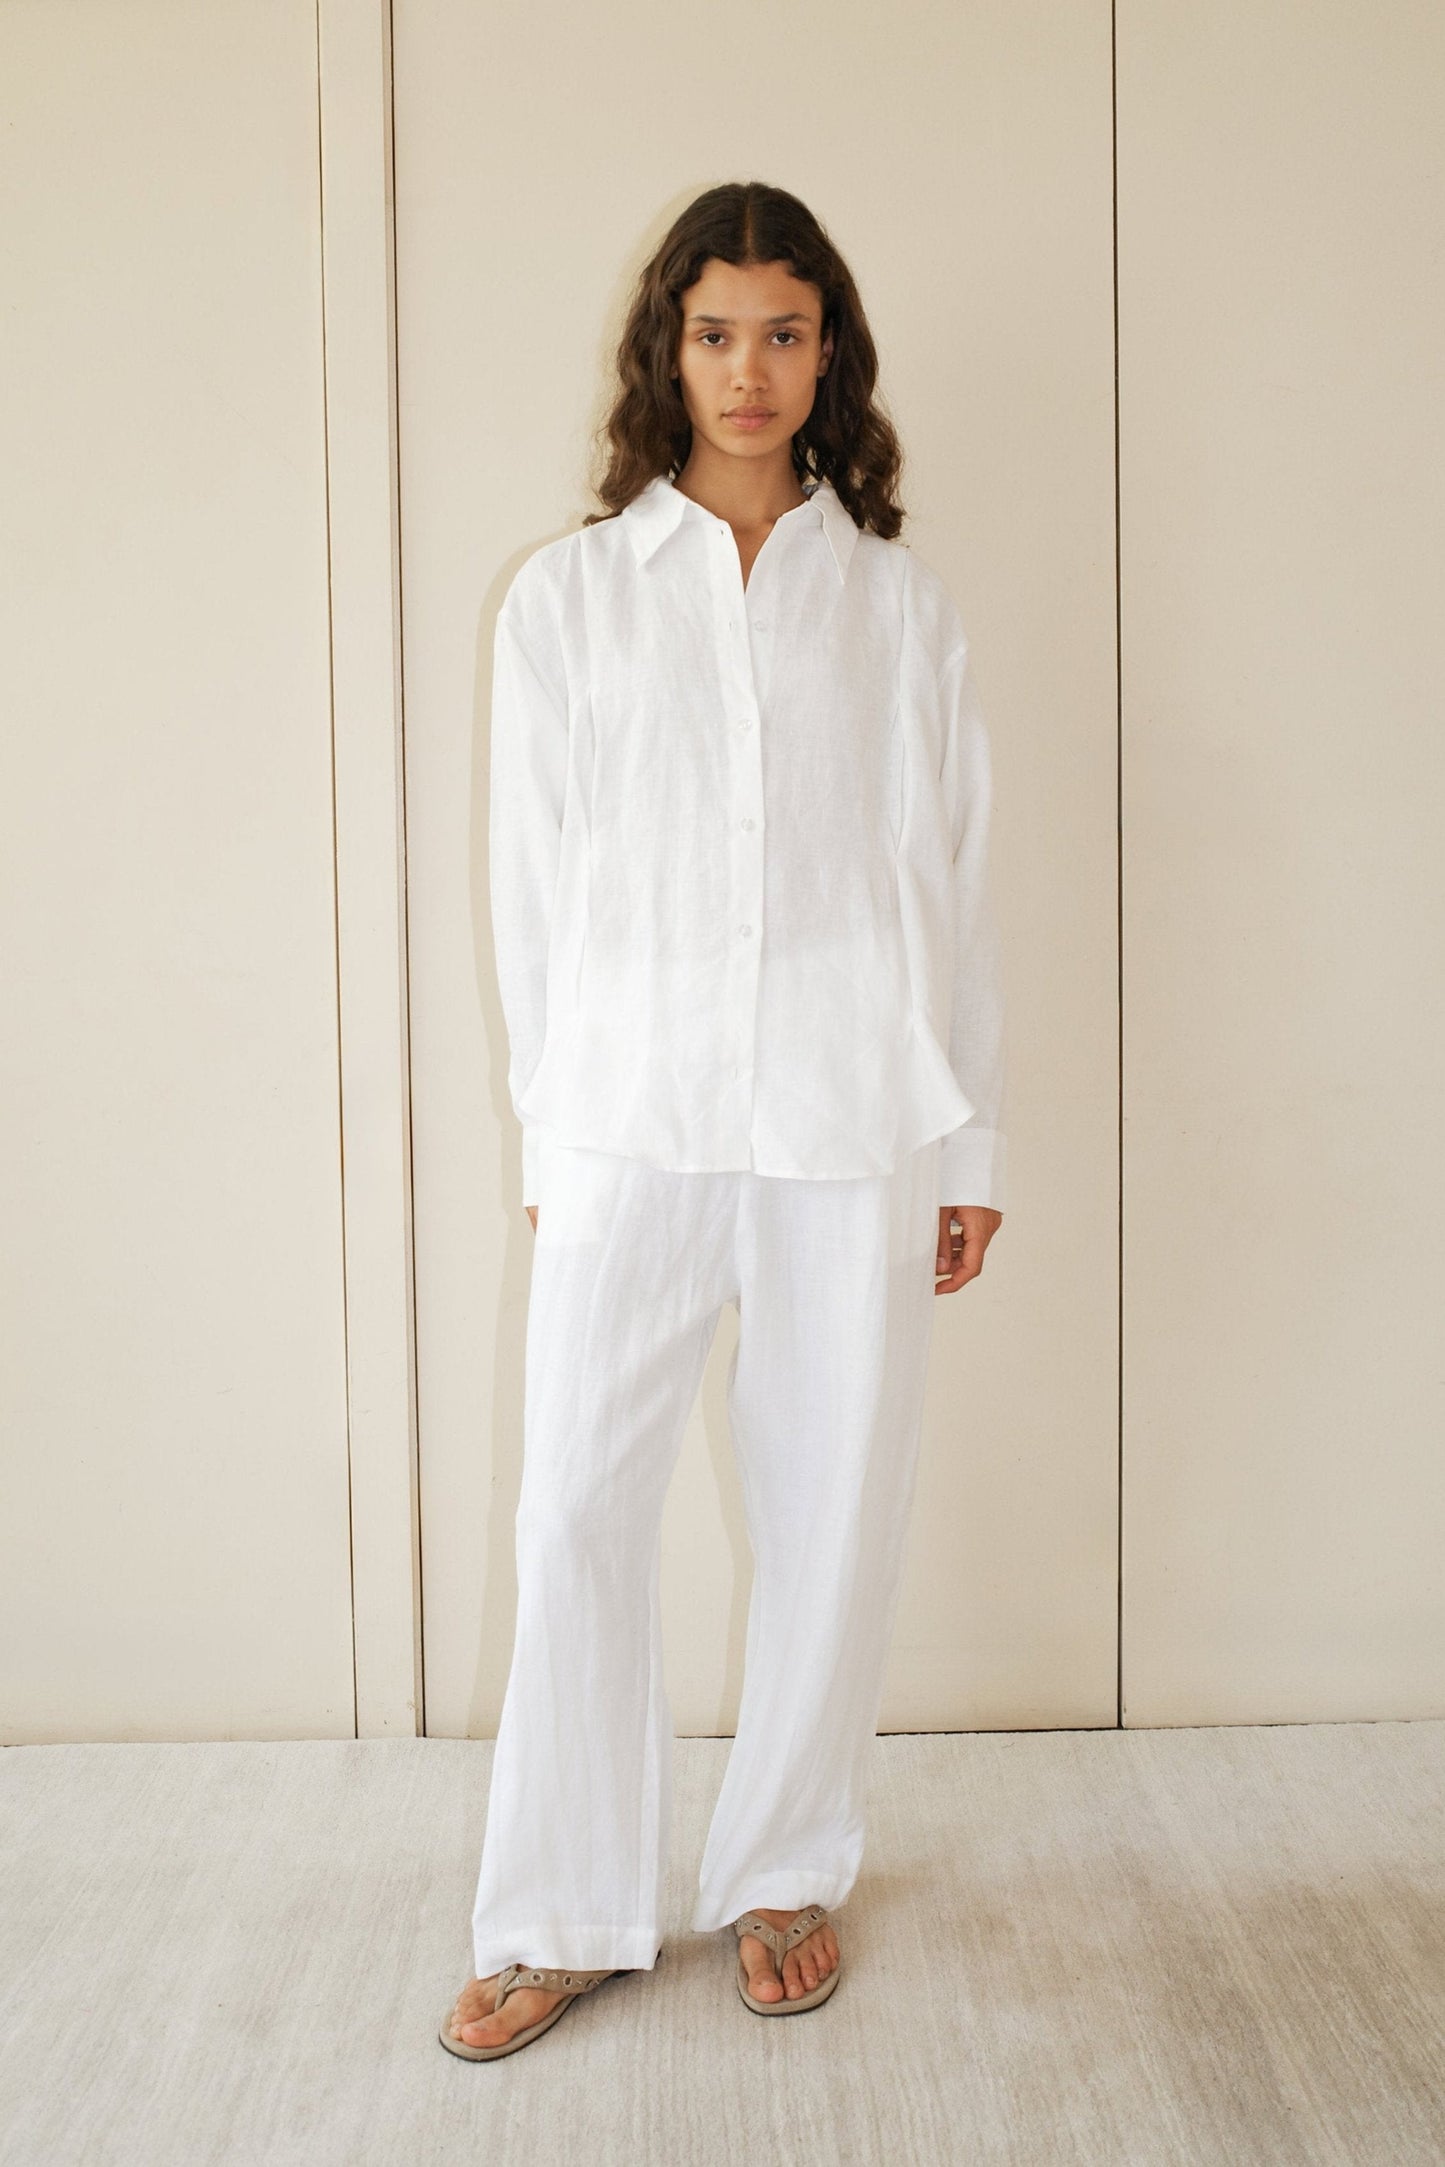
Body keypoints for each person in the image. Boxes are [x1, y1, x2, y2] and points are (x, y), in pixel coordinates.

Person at [442, 179, 1006, 2060]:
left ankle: (782, 1872)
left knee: (829, 1513)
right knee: (576, 1511)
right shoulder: (571, 598)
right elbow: (535, 896)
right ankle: (560, 1909)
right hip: (629, 1119)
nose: (746, 370)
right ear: (662, 350)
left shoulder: (895, 606)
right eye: (712, 332)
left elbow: (952, 886)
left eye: (781, 330)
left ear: (824, 347)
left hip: (854, 1121)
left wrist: (971, 1145)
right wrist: (551, 1141)